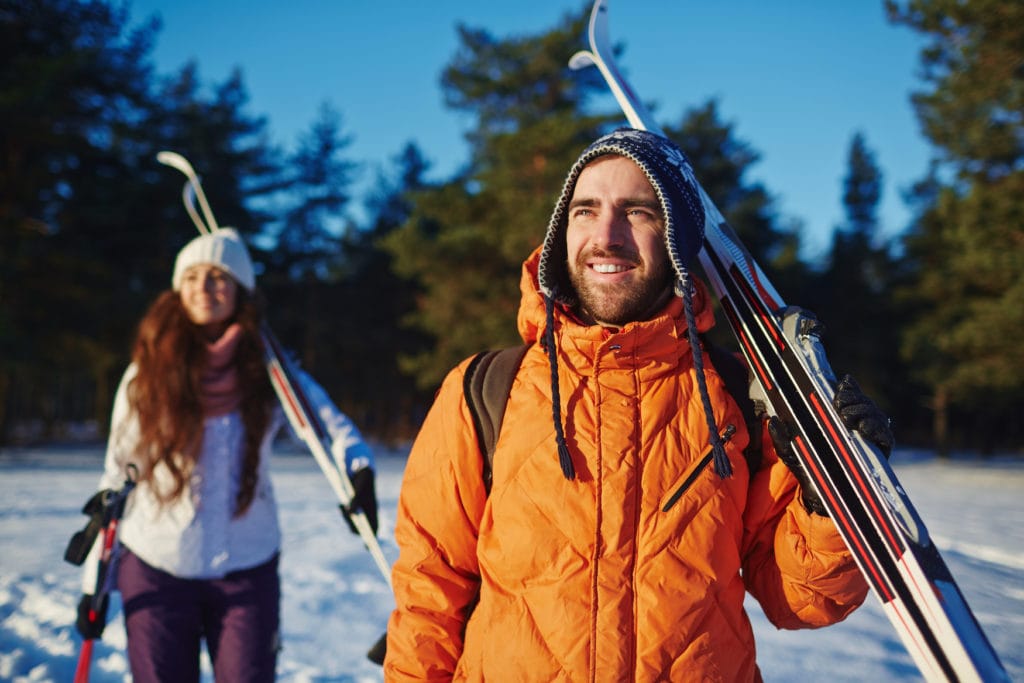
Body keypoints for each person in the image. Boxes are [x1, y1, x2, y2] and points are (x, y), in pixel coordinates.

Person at [383, 128, 894, 681]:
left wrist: (831, 501)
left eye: (637, 212)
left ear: (676, 236)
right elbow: (427, 595)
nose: (606, 235)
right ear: (562, 231)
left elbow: (802, 599)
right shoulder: (484, 390)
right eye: (585, 210)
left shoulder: (739, 397)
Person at [74, 227, 379, 682]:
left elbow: (331, 428)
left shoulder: (270, 368)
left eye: (219, 276)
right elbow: (117, 475)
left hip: (247, 566)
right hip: (158, 563)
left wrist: (359, 472)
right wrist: (92, 586)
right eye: (193, 276)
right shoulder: (147, 373)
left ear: (240, 290)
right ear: (178, 289)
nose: (205, 287)